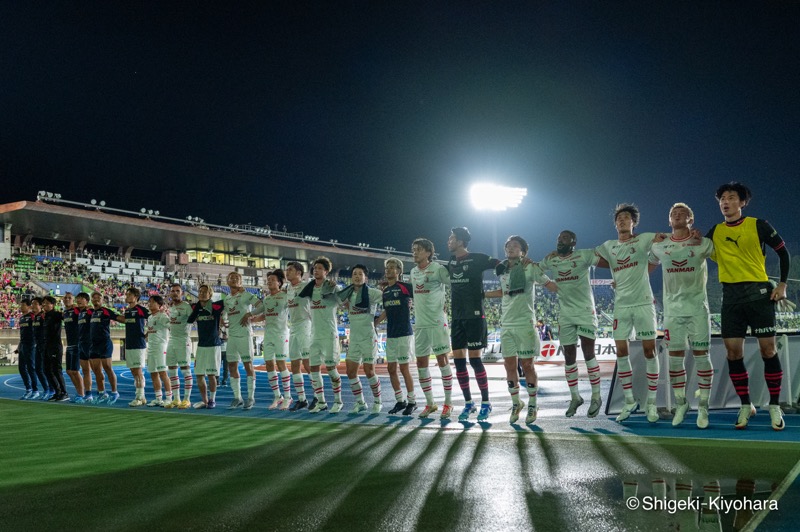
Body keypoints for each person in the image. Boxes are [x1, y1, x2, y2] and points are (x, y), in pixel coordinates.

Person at [706, 182, 791, 430]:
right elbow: (694, 248)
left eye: (732, 197)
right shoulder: (715, 232)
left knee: (768, 351)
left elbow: (783, 253)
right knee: (733, 354)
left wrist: (782, 285)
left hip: (759, 295)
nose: (726, 201)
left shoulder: (759, 225)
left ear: (742, 202)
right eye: (722, 197)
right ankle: (746, 405)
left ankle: (774, 405)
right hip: (730, 297)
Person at [650, 203, 715, 428]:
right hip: (672, 312)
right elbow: (644, 264)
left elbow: (728, 257)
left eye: (683, 214)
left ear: (691, 220)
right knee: (675, 360)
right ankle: (681, 403)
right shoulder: (660, 245)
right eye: (673, 214)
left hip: (697, 309)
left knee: (702, 357)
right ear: (669, 221)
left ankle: (704, 407)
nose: (677, 216)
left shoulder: (703, 243)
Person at [595, 204, 660, 422]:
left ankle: (651, 402)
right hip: (621, 305)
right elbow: (590, 258)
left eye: (626, 217)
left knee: (649, 351)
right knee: (621, 351)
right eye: (619, 218)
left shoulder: (643, 239)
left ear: (634, 222)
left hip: (643, 303)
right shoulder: (608, 246)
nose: (622, 220)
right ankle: (630, 401)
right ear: (615, 224)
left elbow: (668, 238)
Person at [485, 236, 555, 424]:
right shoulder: (502, 270)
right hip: (506, 324)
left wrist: (572, 289)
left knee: (527, 365)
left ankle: (533, 403)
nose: (511, 248)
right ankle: (517, 403)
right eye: (508, 245)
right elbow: (502, 292)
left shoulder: (530, 268)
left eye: (516, 246)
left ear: (523, 252)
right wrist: (482, 294)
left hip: (524, 323)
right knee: (509, 366)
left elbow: (549, 284)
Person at [540, 230, 604, 418]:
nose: (560, 241)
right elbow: (535, 270)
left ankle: (596, 396)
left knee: (588, 352)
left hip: (585, 311)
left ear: (573, 242)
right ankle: (575, 397)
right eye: (559, 238)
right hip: (566, 314)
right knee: (568, 356)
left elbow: (607, 262)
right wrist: (546, 282)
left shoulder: (583, 255)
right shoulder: (551, 259)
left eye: (565, 239)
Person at [446, 227, 500, 421]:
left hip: (475, 317)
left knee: (475, 361)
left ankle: (486, 403)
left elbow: (500, 264)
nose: (449, 241)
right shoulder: (450, 262)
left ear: (461, 241)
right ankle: (469, 404)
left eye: (452, 238)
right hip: (457, 318)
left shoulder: (477, 258)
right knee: (459, 363)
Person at [410, 238, 452, 419]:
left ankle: (448, 403)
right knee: (421, 364)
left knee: (442, 360)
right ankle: (430, 403)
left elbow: (454, 284)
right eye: (413, 249)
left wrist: (446, 304)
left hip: (436, 322)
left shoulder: (438, 269)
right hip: (420, 325)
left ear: (428, 253)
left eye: (418, 249)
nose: (414, 252)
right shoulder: (412, 272)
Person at [297, 257, 344, 413]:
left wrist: (336, 286)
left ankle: (338, 401)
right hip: (314, 335)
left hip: (329, 334)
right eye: (314, 268)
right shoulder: (309, 289)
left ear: (326, 271)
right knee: (314, 369)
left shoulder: (333, 288)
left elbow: (344, 301)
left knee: (331, 369)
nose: (315, 270)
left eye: (319, 268)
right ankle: (322, 402)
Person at [376, 257, 417, 416]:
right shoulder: (385, 291)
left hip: (404, 333)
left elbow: (420, 295)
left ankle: (412, 401)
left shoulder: (405, 287)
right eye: (387, 268)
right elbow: (387, 311)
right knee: (391, 368)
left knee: (404, 368)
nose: (389, 271)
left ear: (399, 271)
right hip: (391, 334)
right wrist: (377, 321)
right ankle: (400, 401)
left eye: (392, 268)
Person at [341, 264, 384, 414]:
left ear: (365, 277)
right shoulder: (348, 293)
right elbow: (346, 306)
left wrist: (377, 321)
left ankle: (378, 401)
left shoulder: (372, 293)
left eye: (360, 274)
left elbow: (389, 301)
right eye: (354, 274)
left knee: (369, 371)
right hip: (354, 337)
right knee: (350, 371)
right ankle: (360, 402)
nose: (357, 276)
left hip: (368, 337)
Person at [224, 271, 263, 410]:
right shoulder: (226, 298)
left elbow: (261, 305)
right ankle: (237, 397)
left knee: (248, 367)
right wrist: (222, 321)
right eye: (231, 278)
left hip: (244, 335)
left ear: (240, 282)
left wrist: (250, 314)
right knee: (232, 367)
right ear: (227, 281)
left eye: (237, 278)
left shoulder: (246, 295)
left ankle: (251, 398)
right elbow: (223, 313)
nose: (234, 279)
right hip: (232, 337)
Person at [187, 284, 225, 408]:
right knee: (199, 375)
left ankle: (212, 400)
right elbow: (188, 319)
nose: (202, 293)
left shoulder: (216, 306)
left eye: (205, 292)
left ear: (210, 294)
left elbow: (229, 300)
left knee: (211, 375)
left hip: (214, 345)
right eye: (200, 291)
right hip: (201, 346)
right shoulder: (195, 307)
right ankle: (204, 400)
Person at [260, 269, 293, 410]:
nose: (269, 282)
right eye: (268, 280)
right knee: (268, 364)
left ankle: (288, 397)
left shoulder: (285, 296)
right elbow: (265, 315)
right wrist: (251, 319)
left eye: (272, 280)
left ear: (279, 283)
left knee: (281, 364)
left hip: (281, 334)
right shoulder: (267, 299)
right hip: (268, 334)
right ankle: (277, 396)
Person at [286, 261, 312, 411]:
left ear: (299, 273)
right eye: (287, 270)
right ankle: (302, 399)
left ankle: (318, 396)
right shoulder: (287, 289)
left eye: (290, 270)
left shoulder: (307, 286)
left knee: (308, 364)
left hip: (305, 325)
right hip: (293, 327)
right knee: (295, 365)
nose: (287, 272)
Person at [119, 288, 151, 406]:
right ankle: (141, 397)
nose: (126, 296)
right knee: (133, 370)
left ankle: (139, 397)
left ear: (136, 297)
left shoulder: (141, 309)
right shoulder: (127, 311)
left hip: (138, 344)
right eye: (126, 294)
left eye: (129, 294)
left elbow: (153, 318)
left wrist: (147, 334)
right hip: (130, 343)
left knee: (138, 371)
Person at [87, 291, 121, 404]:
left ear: (102, 300)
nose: (96, 300)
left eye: (98, 298)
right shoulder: (90, 312)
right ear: (91, 300)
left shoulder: (105, 311)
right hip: (93, 345)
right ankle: (102, 393)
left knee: (107, 368)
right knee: (96, 370)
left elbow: (118, 318)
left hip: (105, 343)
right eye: (94, 298)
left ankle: (114, 392)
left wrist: (132, 320)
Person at [165, 284, 194, 409]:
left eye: (177, 291)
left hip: (183, 340)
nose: (175, 293)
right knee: (172, 370)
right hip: (171, 340)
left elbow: (193, 319)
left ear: (182, 293)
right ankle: (176, 399)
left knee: (185, 370)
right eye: (173, 291)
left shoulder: (186, 307)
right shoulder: (169, 307)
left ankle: (186, 399)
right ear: (170, 293)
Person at [144, 295, 174, 407]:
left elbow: (171, 325)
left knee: (163, 373)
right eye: (149, 302)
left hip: (161, 348)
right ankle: (158, 398)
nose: (150, 304)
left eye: (152, 302)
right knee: (153, 373)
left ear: (159, 305)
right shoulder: (150, 317)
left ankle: (169, 398)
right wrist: (145, 335)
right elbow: (151, 331)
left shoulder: (162, 316)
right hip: (151, 348)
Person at [41, 295, 68, 401]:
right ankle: (57, 392)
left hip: (55, 346)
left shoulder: (56, 314)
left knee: (56, 370)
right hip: (46, 346)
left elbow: (66, 316)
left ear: (53, 305)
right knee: (47, 370)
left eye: (47, 303)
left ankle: (64, 393)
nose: (45, 305)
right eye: (44, 303)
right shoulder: (45, 316)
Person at [61, 292, 85, 402]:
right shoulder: (65, 312)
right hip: (69, 344)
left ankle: (81, 394)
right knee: (69, 371)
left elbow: (85, 309)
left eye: (69, 298)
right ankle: (78, 392)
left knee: (75, 371)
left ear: (73, 300)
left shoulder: (76, 309)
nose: (67, 299)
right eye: (65, 298)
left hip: (77, 343)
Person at [15, 299, 38, 399]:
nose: (21, 307)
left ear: (29, 307)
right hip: (23, 346)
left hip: (31, 345)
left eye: (23, 305)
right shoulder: (22, 318)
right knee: (21, 368)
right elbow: (22, 334)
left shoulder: (32, 317)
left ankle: (35, 390)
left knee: (31, 368)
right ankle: (28, 389)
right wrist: (19, 346)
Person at [30, 297, 51, 399]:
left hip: (44, 345)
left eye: (35, 304)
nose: (32, 306)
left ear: (40, 305)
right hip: (38, 345)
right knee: (38, 369)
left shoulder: (43, 316)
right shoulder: (34, 317)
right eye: (32, 304)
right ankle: (46, 389)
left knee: (46, 369)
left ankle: (52, 390)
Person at [75, 292, 93, 402]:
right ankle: (88, 393)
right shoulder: (79, 313)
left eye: (81, 299)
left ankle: (103, 393)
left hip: (91, 344)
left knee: (97, 370)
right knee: (85, 371)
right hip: (81, 344)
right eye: (77, 299)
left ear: (87, 300)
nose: (79, 300)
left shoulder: (90, 311)